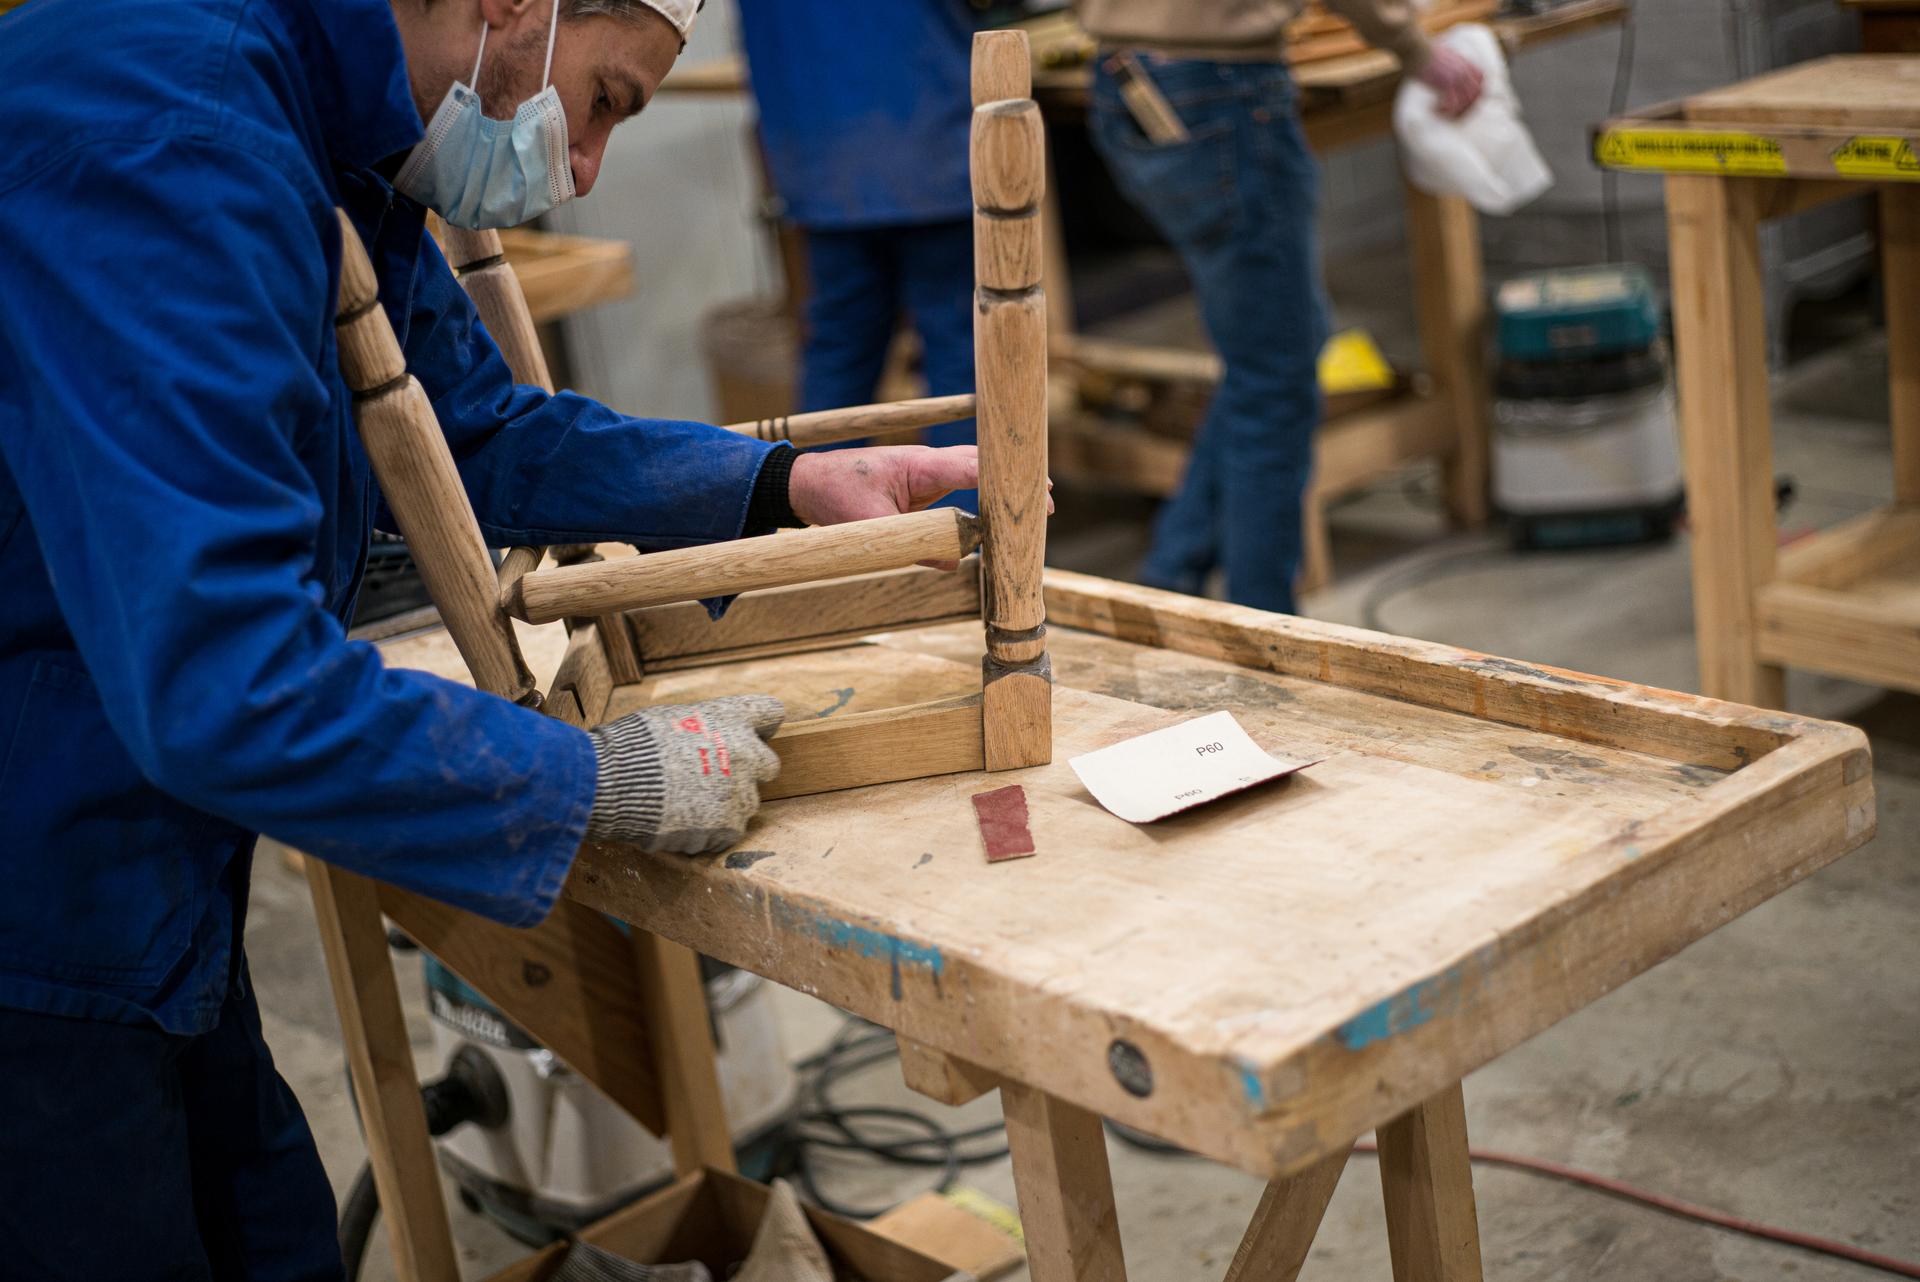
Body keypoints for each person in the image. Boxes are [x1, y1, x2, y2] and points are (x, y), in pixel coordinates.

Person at [0, 0, 980, 1276]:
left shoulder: (325, 113)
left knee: (273, 1233)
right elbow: (226, 684)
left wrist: (780, 486)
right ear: (516, 6)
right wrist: (595, 779)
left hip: (121, 843)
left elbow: (477, 432)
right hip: (41, 869)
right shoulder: (173, 137)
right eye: (608, 100)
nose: (581, 168)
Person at [1074, 0, 1484, 614]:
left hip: (1128, 77)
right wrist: (1416, 49)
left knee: (1274, 351)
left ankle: (1173, 574)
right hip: (1218, 85)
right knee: (1277, 371)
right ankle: (1265, 627)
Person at [735, 0, 980, 510]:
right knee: (962, 360)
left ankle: (831, 552)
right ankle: (964, 551)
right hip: (927, 133)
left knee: (839, 355)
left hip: (822, 153)